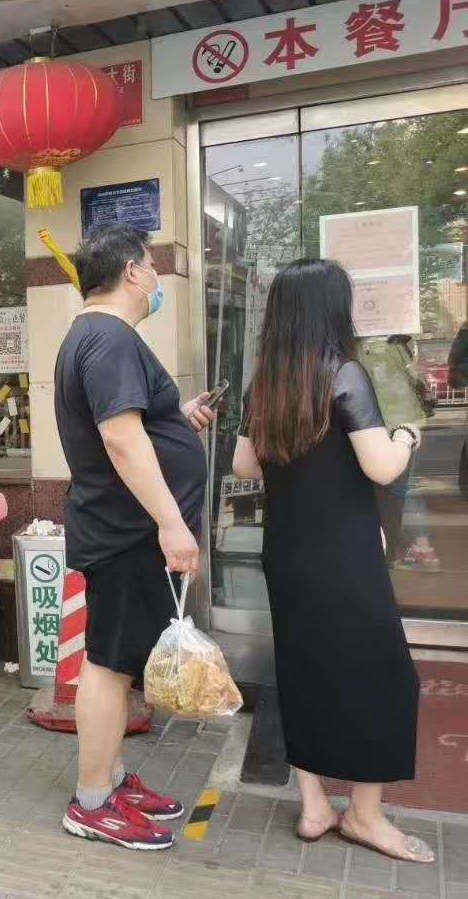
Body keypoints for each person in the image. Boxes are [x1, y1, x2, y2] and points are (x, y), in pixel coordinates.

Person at [233, 259, 431, 865]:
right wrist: (407, 436)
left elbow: (243, 466)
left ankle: (315, 805)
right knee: (387, 677)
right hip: (343, 555)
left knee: (303, 671)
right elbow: (382, 467)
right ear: (330, 310)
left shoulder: (265, 383)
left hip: (287, 554)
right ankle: (364, 816)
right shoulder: (344, 374)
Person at [52, 225, 217, 851]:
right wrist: (172, 524)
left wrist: (175, 419)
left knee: (118, 665)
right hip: (127, 534)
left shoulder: (97, 336)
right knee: (108, 664)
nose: (155, 277)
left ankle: (113, 777)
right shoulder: (109, 337)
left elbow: (132, 427)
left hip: (123, 529)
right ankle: (92, 801)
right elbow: (120, 439)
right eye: (150, 265)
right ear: (131, 272)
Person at [359, 335, 438, 570]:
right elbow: (413, 373)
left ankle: (402, 551)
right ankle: (417, 547)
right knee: (403, 489)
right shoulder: (397, 341)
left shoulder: (366, 346)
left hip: (387, 423)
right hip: (407, 419)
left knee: (393, 491)